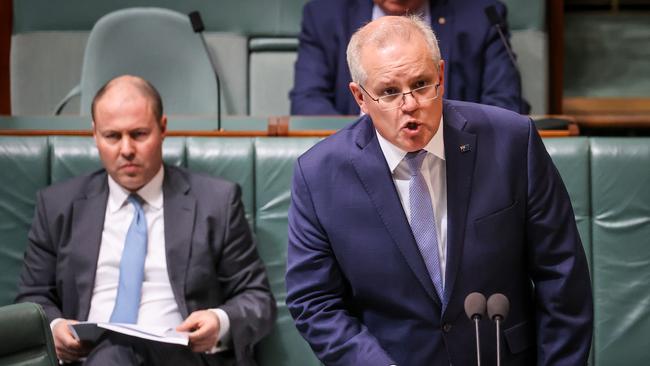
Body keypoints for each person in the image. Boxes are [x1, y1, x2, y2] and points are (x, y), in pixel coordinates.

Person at [285, 15, 591, 366]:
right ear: (360, 97)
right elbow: (314, 301)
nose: (410, 104)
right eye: (388, 92)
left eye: (421, 84)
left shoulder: (512, 142)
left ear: (441, 77)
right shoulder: (319, 176)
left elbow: (562, 277)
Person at [16, 75, 276, 365]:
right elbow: (32, 297)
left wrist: (219, 321)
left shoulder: (216, 202)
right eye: (112, 136)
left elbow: (258, 299)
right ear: (94, 134)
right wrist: (53, 328)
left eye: (139, 134)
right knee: (113, 354)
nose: (126, 149)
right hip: (91, 358)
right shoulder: (57, 207)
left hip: (182, 357)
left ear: (162, 128)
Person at [290, 0, 529, 116]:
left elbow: (505, 103)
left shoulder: (481, 14)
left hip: (457, 160)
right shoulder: (325, 14)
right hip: (358, 161)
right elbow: (308, 103)